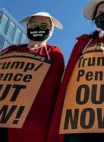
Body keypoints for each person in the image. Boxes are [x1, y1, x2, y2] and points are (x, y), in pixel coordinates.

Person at [48, 0, 104, 142]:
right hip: (76, 117)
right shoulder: (83, 43)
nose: (103, 14)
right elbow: (69, 78)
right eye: (100, 12)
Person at [0, 12, 64, 142]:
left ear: (51, 31)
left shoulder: (54, 53)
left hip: (29, 124)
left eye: (44, 25)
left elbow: (53, 90)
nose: (38, 28)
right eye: (34, 24)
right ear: (27, 27)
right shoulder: (10, 50)